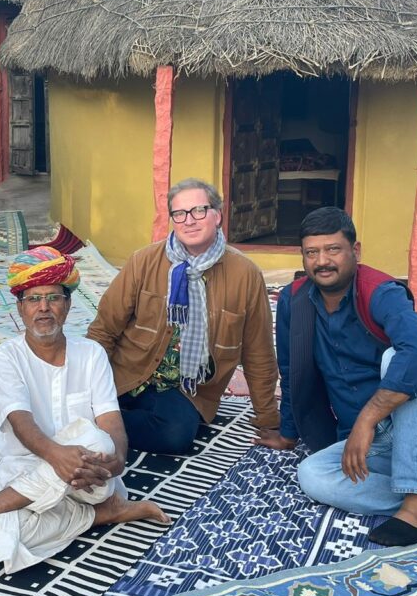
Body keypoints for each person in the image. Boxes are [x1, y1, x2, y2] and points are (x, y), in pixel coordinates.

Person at [258, 207, 417, 546]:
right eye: (312, 252)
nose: (322, 261)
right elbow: (291, 371)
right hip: (364, 445)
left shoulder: (379, 291)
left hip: (416, 432)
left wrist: (368, 419)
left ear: (355, 251)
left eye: (333, 249)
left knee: (401, 357)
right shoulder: (295, 301)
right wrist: (288, 434)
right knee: (312, 475)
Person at [0, 247, 169, 572]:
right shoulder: (7, 358)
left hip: (88, 479)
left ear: (68, 305)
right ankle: (105, 514)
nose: (44, 308)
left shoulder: (92, 354)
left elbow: (111, 421)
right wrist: (57, 456)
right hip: (24, 470)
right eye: (33, 299)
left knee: (97, 440)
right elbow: (20, 423)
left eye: (54, 298)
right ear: (20, 308)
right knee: (1, 541)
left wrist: (118, 461)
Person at [86, 178, 278, 455]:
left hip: (184, 390)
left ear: (218, 215)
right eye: (179, 213)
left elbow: (258, 351)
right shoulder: (144, 261)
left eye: (198, 210)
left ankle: (96, 427)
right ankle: (99, 419)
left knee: (175, 434)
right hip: (128, 372)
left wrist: (268, 420)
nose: (189, 220)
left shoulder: (245, 274)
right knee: (74, 401)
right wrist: (88, 387)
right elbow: (104, 329)